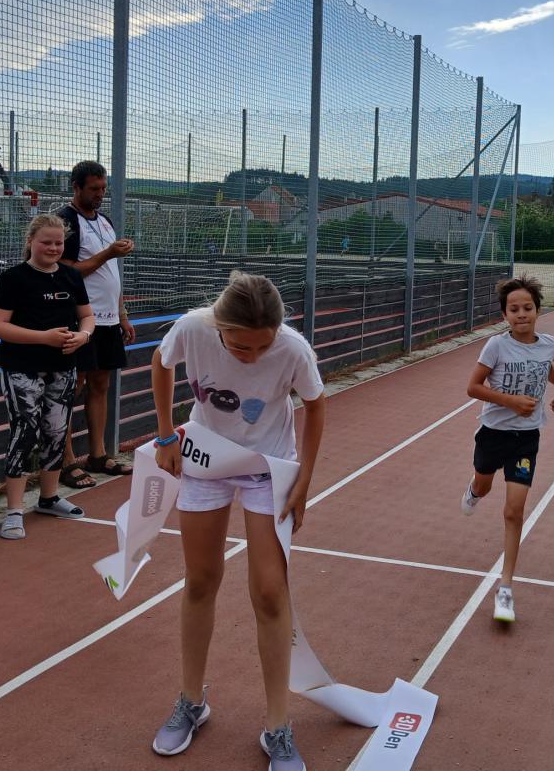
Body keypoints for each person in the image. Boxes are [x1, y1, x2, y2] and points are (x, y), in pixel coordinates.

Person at [150, 272, 325, 769]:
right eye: (240, 346)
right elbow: (161, 362)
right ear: (219, 326)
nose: (251, 356)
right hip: (206, 458)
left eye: (262, 346)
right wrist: (165, 435)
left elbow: (315, 405)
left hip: (268, 468)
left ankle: (278, 726)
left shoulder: (293, 349)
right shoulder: (193, 327)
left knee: (269, 591)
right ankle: (191, 701)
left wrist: (305, 478)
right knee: (200, 580)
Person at [461, 274, 554, 623]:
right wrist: (510, 401)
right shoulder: (496, 346)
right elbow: (473, 387)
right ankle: (474, 490)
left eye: (527, 308)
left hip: (526, 438)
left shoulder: (549, 344)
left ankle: (505, 588)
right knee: (484, 484)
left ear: (538, 310)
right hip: (493, 433)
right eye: (514, 309)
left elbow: (545, 367)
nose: (521, 314)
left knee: (514, 511)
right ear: (505, 314)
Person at [0, 213, 95, 540]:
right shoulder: (13, 278)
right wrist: (43, 338)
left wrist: (83, 336)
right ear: (31, 241)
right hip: (22, 368)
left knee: (57, 431)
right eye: (46, 242)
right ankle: (14, 510)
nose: (53, 248)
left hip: (63, 368)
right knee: (25, 432)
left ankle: (48, 498)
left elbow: (87, 316)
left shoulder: (71, 276)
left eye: (58, 243)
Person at [56, 160, 136, 489]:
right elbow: (66, 271)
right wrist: (108, 254)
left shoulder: (104, 221)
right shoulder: (66, 220)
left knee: (100, 384)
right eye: (94, 189)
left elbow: (111, 275)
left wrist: (122, 314)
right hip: (79, 318)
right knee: (70, 387)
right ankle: (65, 462)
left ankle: (98, 455)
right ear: (76, 187)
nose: (100, 194)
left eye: (103, 188)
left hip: (107, 318)